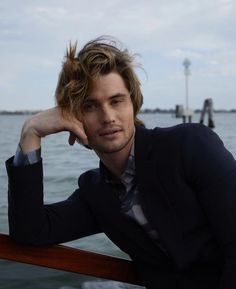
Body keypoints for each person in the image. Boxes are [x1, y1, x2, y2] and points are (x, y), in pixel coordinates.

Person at [6, 37, 236, 289]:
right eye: (90, 106)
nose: (108, 117)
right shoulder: (96, 194)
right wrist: (31, 132)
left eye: (116, 101)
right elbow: (30, 231)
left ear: (132, 103)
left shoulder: (191, 146)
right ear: (72, 117)